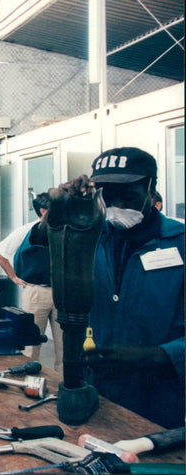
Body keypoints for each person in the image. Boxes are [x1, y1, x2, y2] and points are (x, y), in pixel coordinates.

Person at [61, 147, 184, 429]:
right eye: (106, 193)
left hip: (160, 395)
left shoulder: (179, 244)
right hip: (95, 391)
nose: (115, 201)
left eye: (127, 192)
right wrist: (53, 226)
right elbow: (29, 268)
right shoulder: (88, 238)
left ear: (151, 188)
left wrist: (158, 355)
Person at [0, 193, 62, 371]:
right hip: (36, 292)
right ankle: (28, 384)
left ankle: (64, 386)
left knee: (65, 349)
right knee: (29, 347)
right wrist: (14, 277)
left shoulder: (64, 230)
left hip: (62, 293)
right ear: (42, 210)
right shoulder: (26, 230)